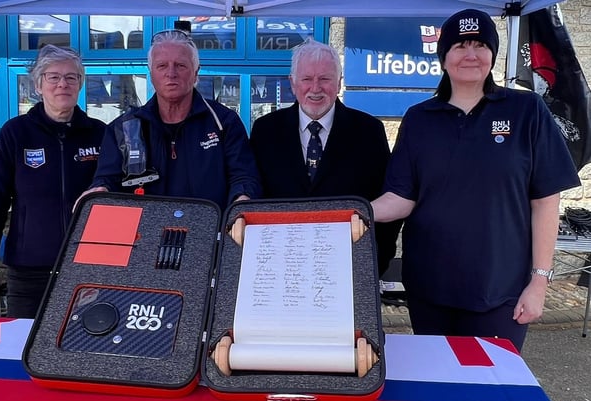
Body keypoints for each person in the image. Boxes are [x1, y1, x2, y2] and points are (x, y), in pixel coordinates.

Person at [370, 9, 581, 351]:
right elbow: (401, 197)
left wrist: (539, 281)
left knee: (493, 395)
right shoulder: (419, 119)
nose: (470, 54)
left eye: (480, 45)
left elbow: (545, 200)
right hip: (430, 290)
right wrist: (354, 211)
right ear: (444, 57)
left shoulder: (526, 110)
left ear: (492, 55)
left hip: (500, 292)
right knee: (442, 389)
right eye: (460, 45)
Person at [0, 45, 106, 321]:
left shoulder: (99, 134)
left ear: (80, 84)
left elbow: (117, 199)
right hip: (29, 271)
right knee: (22, 354)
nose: (63, 84)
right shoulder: (16, 133)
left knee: (85, 355)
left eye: (71, 77)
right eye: (53, 76)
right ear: (38, 85)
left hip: (88, 270)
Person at [249, 38, 401, 277]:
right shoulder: (265, 130)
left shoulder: (369, 131)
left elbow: (387, 198)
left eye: (325, 79)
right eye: (307, 79)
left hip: (349, 269)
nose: (315, 88)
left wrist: (376, 262)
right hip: (279, 270)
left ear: (339, 83)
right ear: (293, 83)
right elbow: (255, 197)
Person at [80, 29, 261, 210]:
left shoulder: (224, 122)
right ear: (151, 73)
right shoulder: (123, 128)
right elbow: (107, 180)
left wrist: (242, 200)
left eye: (180, 65)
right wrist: (100, 189)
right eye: (162, 66)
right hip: (143, 235)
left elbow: (243, 177)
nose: (171, 73)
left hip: (210, 233)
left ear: (196, 72)